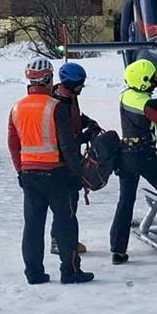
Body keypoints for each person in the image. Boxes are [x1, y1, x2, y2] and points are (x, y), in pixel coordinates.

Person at [8, 58, 94, 285]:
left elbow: (13, 144)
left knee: (33, 227)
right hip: (57, 175)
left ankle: (34, 274)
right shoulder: (55, 107)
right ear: (48, 79)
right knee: (66, 224)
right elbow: (66, 145)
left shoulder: (17, 108)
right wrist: (77, 174)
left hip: (29, 175)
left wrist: (20, 171)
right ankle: (70, 271)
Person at [110, 58, 157, 264]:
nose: (154, 80)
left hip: (125, 154)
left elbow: (146, 84)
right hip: (144, 156)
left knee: (125, 201)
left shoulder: (127, 95)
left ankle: (118, 249)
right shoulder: (149, 103)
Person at [49, 61, 98, 256]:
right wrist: (85, 137)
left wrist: (88, 122)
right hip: (62, 160)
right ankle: (60, 241)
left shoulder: (69, 97)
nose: (82, 87)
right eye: (80, 84)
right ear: (70, 84)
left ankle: (64, 239)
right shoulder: (59, 103)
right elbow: (66, 139)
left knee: (70, 202)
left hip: (69, 157)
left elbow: (76, 117)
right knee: (66, 203)